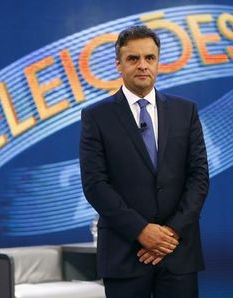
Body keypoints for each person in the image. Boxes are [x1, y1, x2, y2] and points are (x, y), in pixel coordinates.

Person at [79, 25, 209, 298]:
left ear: (158, 62)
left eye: (150, 58)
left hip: (178, 252)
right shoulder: (96, 117)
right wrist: (140, 231)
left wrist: (170, 233)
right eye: (133, 59)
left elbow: (198, 177)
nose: (142, 65)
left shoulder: (185, 111)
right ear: (118, 64)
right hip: (124, 253)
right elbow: (95, 184)